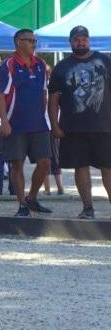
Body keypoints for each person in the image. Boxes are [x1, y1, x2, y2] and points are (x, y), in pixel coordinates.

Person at [48, 25, 111, 220]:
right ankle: (87, 208)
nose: (81, 42)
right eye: (77, 39)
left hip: (105, 126)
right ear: (70, 42)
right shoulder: (62, 67)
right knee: (80, 167)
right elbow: (53, 99)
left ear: (89, 40)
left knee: (108, 168)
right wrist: (54, 125)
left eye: (84, 38)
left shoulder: (105, 61)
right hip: (73, 128)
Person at [0, 29, 52, 217]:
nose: (33, 44)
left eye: (35, 41)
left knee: (45, 162)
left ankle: (32, 198)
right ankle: (21, 204)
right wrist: (4, 121)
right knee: (16, 164)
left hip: (38, 123)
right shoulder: (7, 66)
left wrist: (43, 114)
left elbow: (44, 91)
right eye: (29, 41)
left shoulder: (41, 64)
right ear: (18, 42)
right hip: (15, 123)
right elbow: (0, 95)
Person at [42, 64, 64, 195]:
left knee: (44, 157)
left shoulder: (42, 87)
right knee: (55, 157)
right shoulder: (57, 86)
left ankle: (47, 188)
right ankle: (59, 187)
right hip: (54, 124)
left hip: (46, 125)